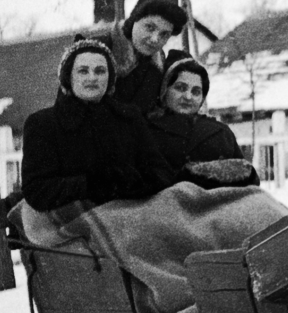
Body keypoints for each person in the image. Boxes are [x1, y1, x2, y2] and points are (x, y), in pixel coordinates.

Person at [20, 38, 176, 212]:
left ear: (110, 78)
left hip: (132, 213)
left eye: (100, 71)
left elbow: (162, 172)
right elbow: (36, 190)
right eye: (83, 71)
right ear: (68, 76)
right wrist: (92, 184)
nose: (92, 78)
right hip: (72, 222)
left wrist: (132, 183)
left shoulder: (129, 117)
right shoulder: (43, 124)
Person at [146, 53, 258, 188]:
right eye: (180, 88)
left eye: (196, 91)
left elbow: (245, 179)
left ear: (202, 98)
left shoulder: (221, 132)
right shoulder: (147, 131)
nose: (188, 97)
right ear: (165, 90)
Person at [108, 0, 188, 116]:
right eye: (150, 27)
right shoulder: (102, 50)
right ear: (134, 20)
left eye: (164, 34)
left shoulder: (160, 68)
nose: (155, 39)